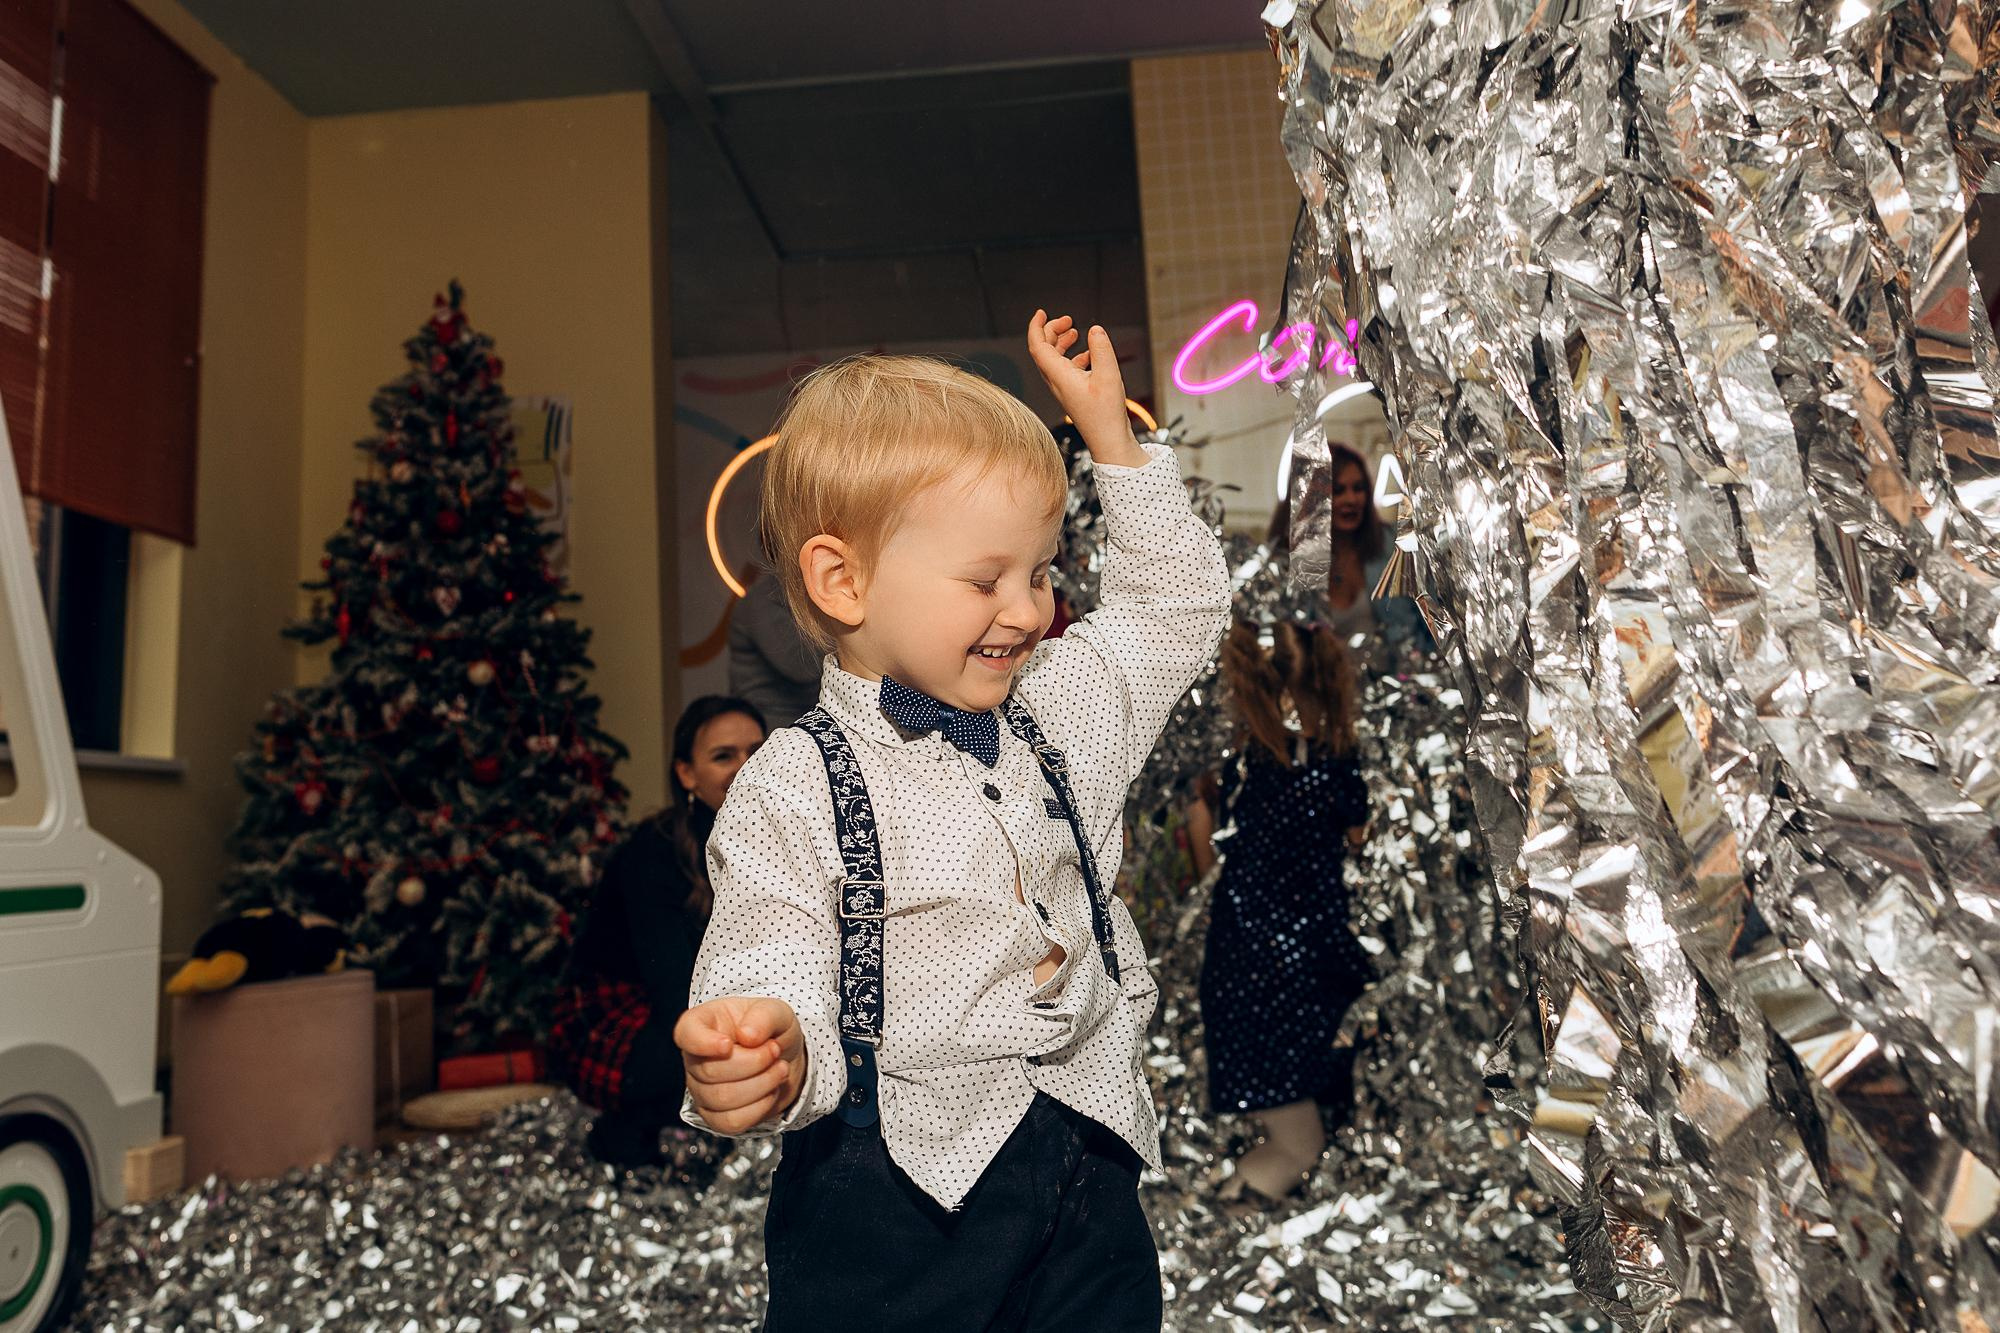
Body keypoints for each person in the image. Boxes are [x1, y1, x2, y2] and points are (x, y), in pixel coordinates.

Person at [672, 314, 1230, 1331]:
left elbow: (1173, 609)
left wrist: (1110, 434)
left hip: (1087, 1166)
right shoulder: (793, 782)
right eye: (985, 579)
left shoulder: (1061, 709)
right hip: (894, 1204)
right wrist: (770, 1041)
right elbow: (773, 942)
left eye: (1040, 572)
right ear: (842, 581)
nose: (1028, 609)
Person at [547, 695, 766, 1168]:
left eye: (756, 750)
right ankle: (631, 1133)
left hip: (710, 1000)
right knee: (714, 1055)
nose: (745, 766)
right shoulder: (656, 849)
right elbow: (674, 986)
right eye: (723, 756)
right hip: (621, 1009)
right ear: (686, 774)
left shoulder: (773, 840)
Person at [1195, 618, 1369, 1204]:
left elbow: (1219, 842)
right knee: (1300, 1143)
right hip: (1291, 982)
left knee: (1295, 1133)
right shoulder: (1334, 766)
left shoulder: (1246, 768)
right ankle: (1220, 1218)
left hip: (1241, 971)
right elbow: (1357, 841)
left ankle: (1223, 1207)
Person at [1277, 443, 1430, 658]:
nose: (1351, 499)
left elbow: (1430, 625)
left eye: (1358, 488)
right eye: (1338, 490)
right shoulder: (1289, 563)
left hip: (1399, 675)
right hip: (1327, 679)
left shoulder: (1395, 546)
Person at [727, 563, 823, 729]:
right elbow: (802, 666)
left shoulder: (800, 594)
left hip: (803, 715)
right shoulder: (763, 599)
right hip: (768, 718)